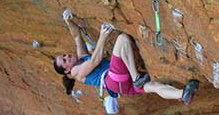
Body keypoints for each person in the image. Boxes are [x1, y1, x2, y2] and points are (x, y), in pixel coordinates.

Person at [52, 12, 197, 105]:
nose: (67, 57)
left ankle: (182, 94)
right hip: (113, 80)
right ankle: (136, 78)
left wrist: (68, 21)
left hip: (121, 85)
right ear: (67, 71)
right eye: (64, 61)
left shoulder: (80, 58)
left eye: (64, 56)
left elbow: (76, 36)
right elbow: (95, 60)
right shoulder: (77, 72)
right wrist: (103, 36)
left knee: (154, 86)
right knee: (122, 39)